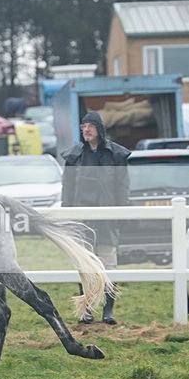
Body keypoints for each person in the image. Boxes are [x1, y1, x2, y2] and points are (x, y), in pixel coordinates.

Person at [61, 111, 130, 325]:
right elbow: (68, 190)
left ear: (99, 129)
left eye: (90, 126)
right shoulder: (74, 157)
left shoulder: (116, 155)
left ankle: (108, 312)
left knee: (109, 266)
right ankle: (87, 309)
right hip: (83, 222)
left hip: (108, 221)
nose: (86, 129)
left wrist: (122, 213)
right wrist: (68, 217)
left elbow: (122, 187)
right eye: (83, 126)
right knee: (86, 266)